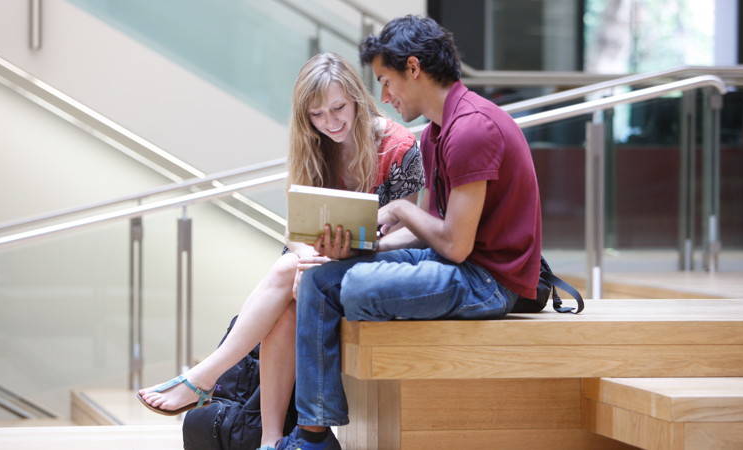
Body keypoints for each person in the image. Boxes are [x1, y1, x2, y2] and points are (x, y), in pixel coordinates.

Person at [275, 16, 542, 450]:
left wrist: (398, 208)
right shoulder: (439, 131)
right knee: (323, 280)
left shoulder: (471, 128)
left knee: (359, 286)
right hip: (457, 264)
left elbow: (454, 245)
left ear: (413, 68)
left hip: (490, 282)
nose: (382, 96)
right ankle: (314, 435)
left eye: (385, 80)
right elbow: (430, 235)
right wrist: (364, 247)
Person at [136, 52, 424, 449]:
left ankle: (205, 375)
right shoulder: (313, 144)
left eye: (339, 108)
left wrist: (345, 250)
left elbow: (410, 230)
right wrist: (308, 255)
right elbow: (294, 228)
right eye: (318, 114)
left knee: (290, 272)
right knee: (290, 296)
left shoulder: (399, 146)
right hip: (319, 264)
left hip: (376, 264)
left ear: (357, 97)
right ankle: (270, 443)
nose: (331, 122)